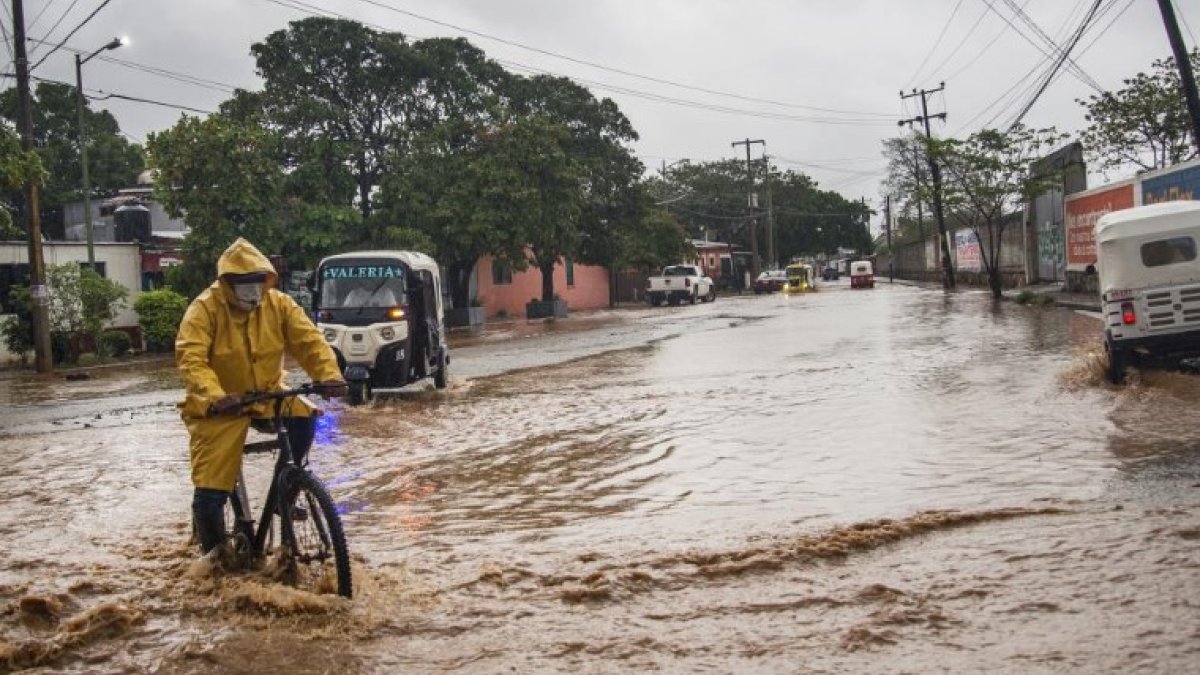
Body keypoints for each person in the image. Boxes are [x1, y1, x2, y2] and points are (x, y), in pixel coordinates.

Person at [175, 238, 347, 556]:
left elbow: (309, 341)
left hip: (268, 394)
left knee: (305, 417)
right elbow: (191, 358)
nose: (252, 291)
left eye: (257, 282)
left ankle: (288, 491)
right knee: (211, 491)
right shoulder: (204, 309)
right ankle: (214, 561)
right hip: (219, 407)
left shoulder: (279, 304)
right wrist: (215, 395)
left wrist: (328, 376)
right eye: (244, 284)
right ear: (228, 283)